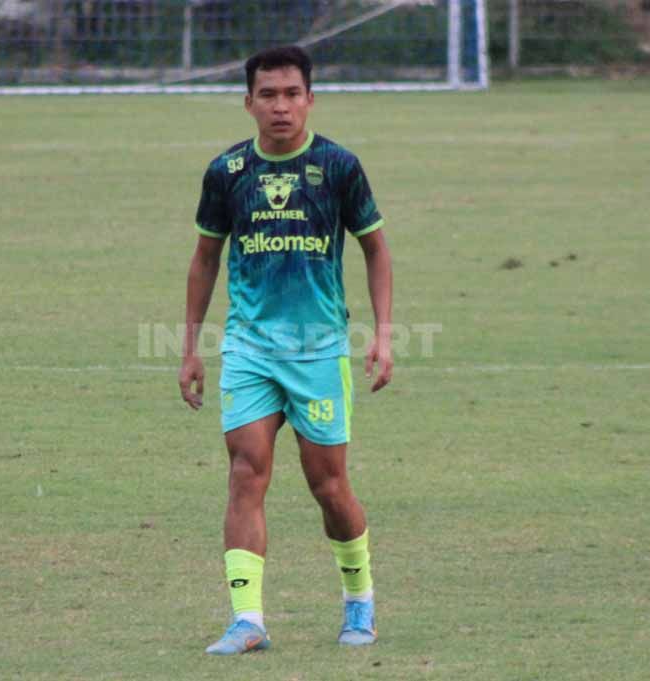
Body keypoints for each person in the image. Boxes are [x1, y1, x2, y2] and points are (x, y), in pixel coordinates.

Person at [178, 45, 394, 656]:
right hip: (248, 349)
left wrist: (381, 335)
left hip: (320, 351)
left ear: (310, 99)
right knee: (246, 474)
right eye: (268, 95)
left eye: (292, 94)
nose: (281, 106)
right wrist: (191, 348)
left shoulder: (339, 167)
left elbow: (376, 249)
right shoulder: (227, 172)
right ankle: (247, 621)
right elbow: (204, 259)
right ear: (248, 103)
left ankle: (359, 601)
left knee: (328, 486)